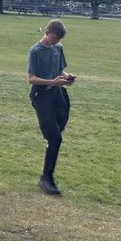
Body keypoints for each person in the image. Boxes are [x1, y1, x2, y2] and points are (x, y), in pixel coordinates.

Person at [28, 19, 76, 195]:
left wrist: (67, 77)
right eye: (53, 39)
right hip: (42, 95)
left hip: (58, 94)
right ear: (47, 33)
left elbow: (59, 71)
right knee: (54, 137)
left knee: (58, 134)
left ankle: (47, 176)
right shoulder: (36, 51)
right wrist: (52, 82)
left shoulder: (58, 48)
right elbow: (31, 78)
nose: (55, 43)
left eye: (58, 40)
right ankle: (46, 178)